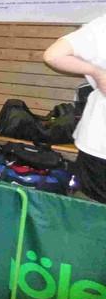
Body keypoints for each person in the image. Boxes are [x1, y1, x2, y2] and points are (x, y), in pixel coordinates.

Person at [44, 15, 106, 203]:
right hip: (99, 147)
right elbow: (52, 56)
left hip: (97, 145)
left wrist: (97, 73)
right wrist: (97, 73)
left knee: (91, 211)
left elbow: (54, 55)